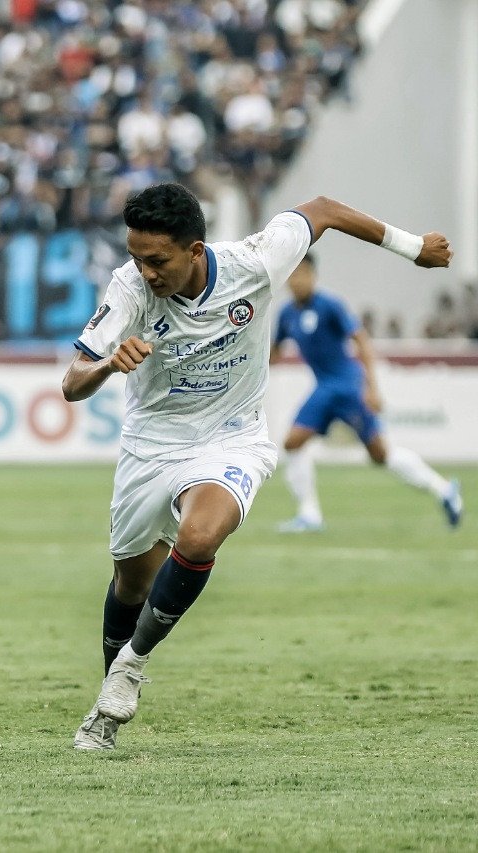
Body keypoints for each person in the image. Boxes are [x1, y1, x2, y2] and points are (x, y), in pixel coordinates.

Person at [61, 183, 452, 751]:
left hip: (231, 439)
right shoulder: (128, 290)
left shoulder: (255, 262)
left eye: (157, 260)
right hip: (150, 446)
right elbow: (72, 383)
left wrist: (412, 246)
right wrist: (107, 367)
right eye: (137, 257)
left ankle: (131, 667)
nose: (144, 271)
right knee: (130, 583)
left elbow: (324, 210)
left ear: (195, 250)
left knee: (199, 535)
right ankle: (107, 693)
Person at [271, 254, 462, 532]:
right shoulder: (287, 314)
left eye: (302, 274)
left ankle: (444, 490)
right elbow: (274, 355)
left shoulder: (330, 306)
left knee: (381, 454)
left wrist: (372, 386)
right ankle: (309, 515)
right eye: (292, 276)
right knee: (292, 442)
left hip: (348, 386)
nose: (296, 281)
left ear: (314, 275)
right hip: (324, 389)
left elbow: (361, 339)